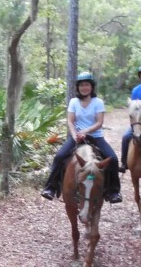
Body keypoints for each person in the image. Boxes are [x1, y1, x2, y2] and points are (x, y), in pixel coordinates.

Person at [41, 72, 122, 203]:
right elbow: (70, 121)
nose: (84, 87)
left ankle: (113, 191)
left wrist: (86, 131)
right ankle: (51, 187)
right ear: (78, 87)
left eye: (87, 85)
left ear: (92, 87)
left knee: (112, 159)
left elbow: (99, 123)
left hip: (95, 136)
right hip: (76, 137)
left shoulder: (98, 102)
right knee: (59, 157)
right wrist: (74, 135)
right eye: (82, 85)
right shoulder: (74, 102)